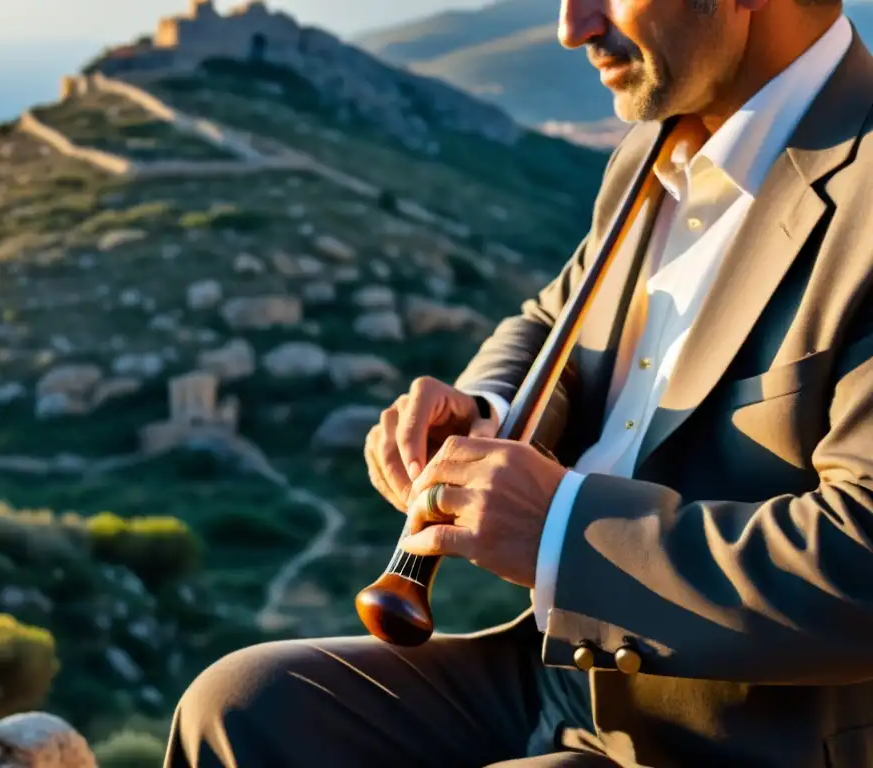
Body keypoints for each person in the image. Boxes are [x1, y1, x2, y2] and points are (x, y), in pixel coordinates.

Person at [165, 0, 873, 765]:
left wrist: (560, 529)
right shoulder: (660, 146)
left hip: (744, 732)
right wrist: (488, 406)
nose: (573, 27)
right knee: (241, 706)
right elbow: (557, 316)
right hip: (563, 673)